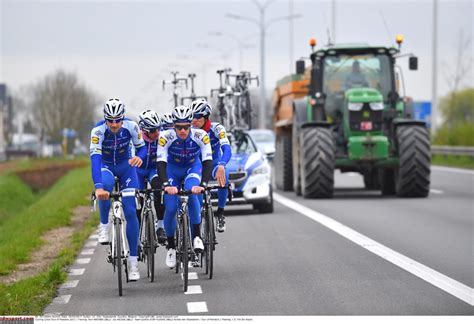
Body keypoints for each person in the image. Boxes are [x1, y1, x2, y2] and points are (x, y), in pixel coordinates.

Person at [90, 98, 146, 281]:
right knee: (105, 186)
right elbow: (95, 160)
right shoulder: (97, 131)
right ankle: (104, 226)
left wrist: (139, 158)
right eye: (110, 120)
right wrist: (98, 187)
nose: (114, 124)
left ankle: (133, 263)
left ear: (123, 118)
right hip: (106, 166)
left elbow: (142, 148)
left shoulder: (132, 127)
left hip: (126, 167)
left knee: (130, 211)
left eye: (117, 120)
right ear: (105, 119)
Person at [156, 105, 213, 268]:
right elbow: (160, 163)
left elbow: (207, 162)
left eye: (186, 127)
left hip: (192, 168)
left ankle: (196, 236)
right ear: (174, 126)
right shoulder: (165, 137)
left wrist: (203, 184)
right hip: (172, 171)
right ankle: (172, 247)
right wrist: (166, 184)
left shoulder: (201, 136)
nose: (182, 131)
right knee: (171, 207)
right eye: (179, 127)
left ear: (191, 125)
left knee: (193, 192)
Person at [191, 99, 231, 232]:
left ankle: (220, 213)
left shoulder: (217, 128)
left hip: (214, 164)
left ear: (206, 116)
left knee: (224, 174)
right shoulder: (190, 131)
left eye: (197, 117)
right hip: (198, 166)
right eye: (192, 117)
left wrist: (222, 164)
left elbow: (227, 149)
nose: (194, 120)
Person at [136, 109, 166, 244]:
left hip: (153, 169)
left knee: (159, 189)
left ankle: (160, 226)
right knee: (138, 201)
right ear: (145, 130)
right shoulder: (136, 138)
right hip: (138, 171)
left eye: (158, 129)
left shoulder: (161, 138)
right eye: (153, 130)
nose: (157, 133)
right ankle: (135, 234)